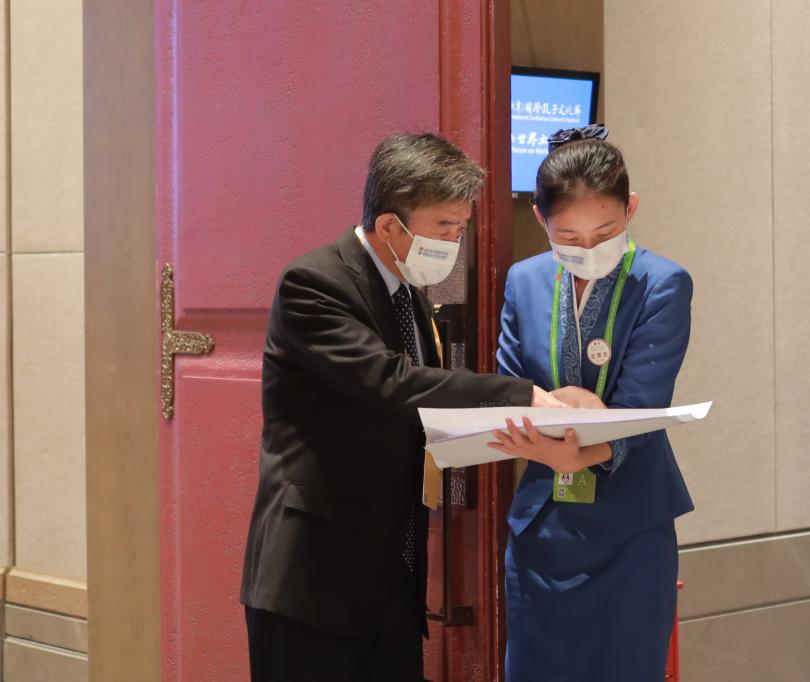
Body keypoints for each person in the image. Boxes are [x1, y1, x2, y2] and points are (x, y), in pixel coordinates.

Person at [240, 132, 565, 682]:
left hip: (390, 578)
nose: (455, 240)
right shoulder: (313, 284)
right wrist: (520, 394)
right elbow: (391, 384)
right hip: (313, 578)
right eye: (444, 226)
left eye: (461, 226)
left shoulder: (408, 290)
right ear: (391, 225)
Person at [489, 124, 695, 682]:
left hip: (630, 526)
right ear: (540, 220)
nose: (588, 250)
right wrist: (563, 411)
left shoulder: (662, 284)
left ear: (631, 209)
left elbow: (642, 406)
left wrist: (580, 447)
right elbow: (510, 385)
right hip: (542, 525)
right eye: (569, 237)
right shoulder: (524, 281)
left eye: (605, 232)